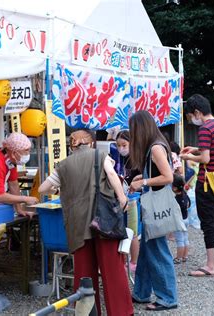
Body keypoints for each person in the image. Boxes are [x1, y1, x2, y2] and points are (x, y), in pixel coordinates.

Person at [38, 129, 133, 315]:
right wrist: (122, 198)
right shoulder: (100, 155)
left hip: (78, 225)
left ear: (72, 145)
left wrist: (60, 191)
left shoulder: (63, 165)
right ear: (90, 143)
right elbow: (112, 176)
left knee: (83, 272)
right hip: (103, 220)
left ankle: (86, 311)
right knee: (112, 270)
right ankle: (120, 312)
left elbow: (43, 189)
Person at [128, 111, 178, 311]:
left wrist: (144, 182)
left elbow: (168, 177)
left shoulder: (155, 147)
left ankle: (167, 297)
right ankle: (140, 293)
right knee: (147, 252)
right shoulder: (156, 145)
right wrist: (141, 178)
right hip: (153, 205)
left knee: (158, 251)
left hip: (155, 207)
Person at [180, 94, 214, 277]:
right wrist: (194, 149)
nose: (193, 119)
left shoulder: (205, 129)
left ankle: (210, 265)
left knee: (208, 223)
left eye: (192, 115)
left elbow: (205, 158)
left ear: (198, 112)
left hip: (207, 183)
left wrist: (188, 157)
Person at [114, 130, 140, 274]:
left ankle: (134, 262)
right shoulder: (126, 158)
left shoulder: (138, 157)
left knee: (133, 232)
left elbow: (145, 174)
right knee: (127, 231)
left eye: (124, 145)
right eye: (118, 145)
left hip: (134, 198)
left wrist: (137, 180)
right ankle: (126, 261)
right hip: (127, 196)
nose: (121, 148)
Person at [172, 174, 190, 264]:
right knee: (185, 238)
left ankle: (178, 257)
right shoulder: (185, 194)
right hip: (186, 219)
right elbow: (189, 204)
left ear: (175, 188)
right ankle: (185, 256)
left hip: (179, 221)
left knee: (179, 240)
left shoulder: (176, 199)